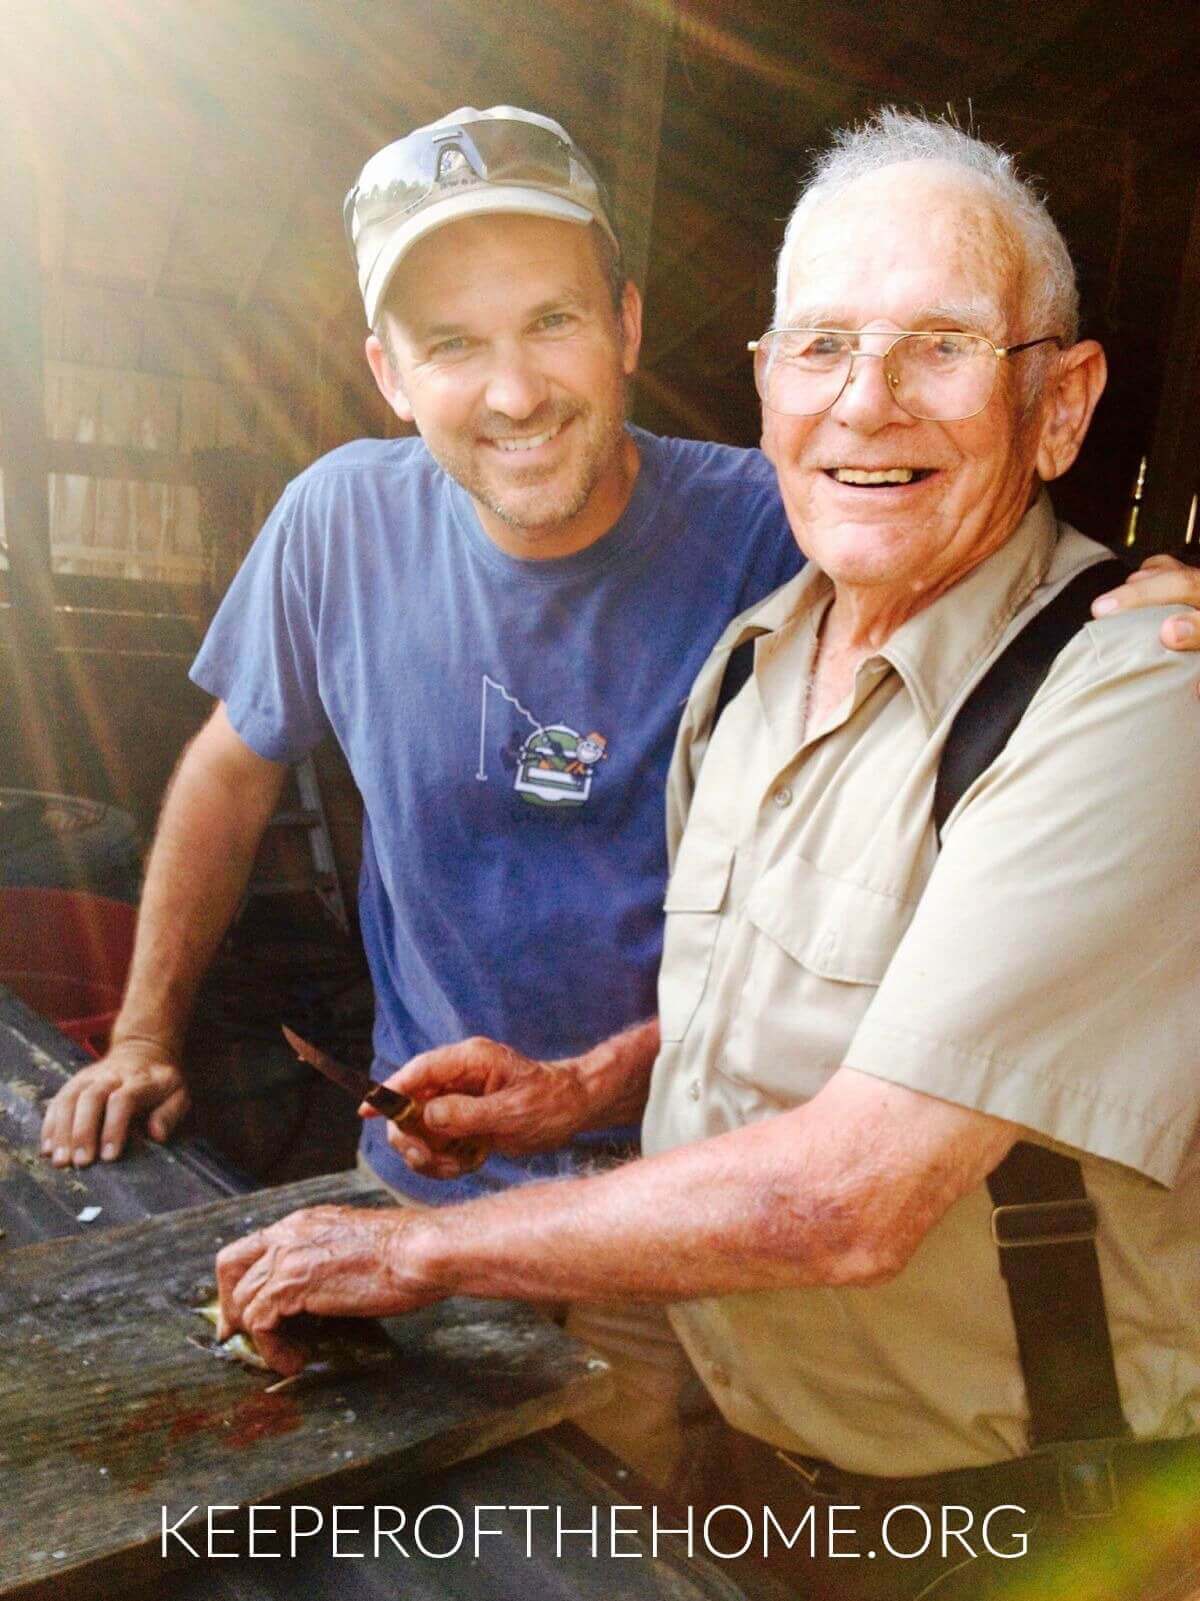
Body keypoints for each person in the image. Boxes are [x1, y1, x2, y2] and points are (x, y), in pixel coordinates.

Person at [215, 111, 1200, 1599]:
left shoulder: (1135, 697)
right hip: (748, 1455)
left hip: (1016, 1520)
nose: (868, 405)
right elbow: (789, 1016)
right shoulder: (757, 662)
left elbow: (850, 1192)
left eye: (941, 346)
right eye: (822, 349)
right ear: (766, 387)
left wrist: (417, 1255)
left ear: (1059, 406)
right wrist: (581, 1090)